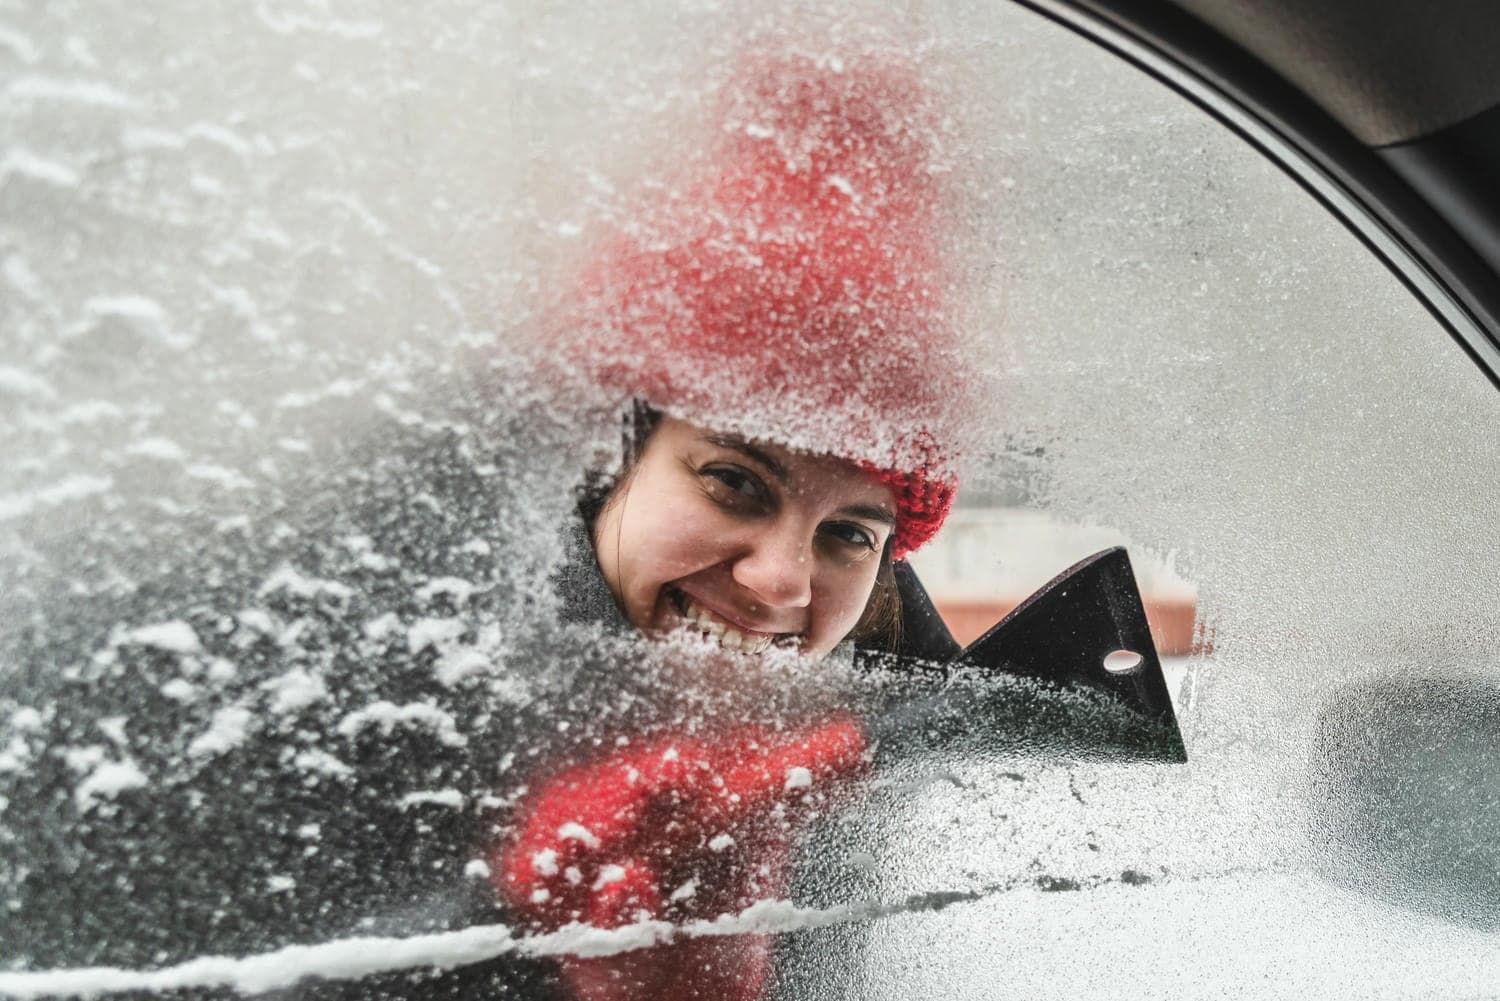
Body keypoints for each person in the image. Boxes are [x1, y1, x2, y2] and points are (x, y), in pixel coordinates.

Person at [492, 46, 974, 1001]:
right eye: (735, 482)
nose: (782, 581)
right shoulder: (381, 683)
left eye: (849, 534)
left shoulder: (880, 737)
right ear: (605, 462)